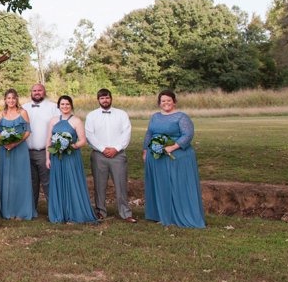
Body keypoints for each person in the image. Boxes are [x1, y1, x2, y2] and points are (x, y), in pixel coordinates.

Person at [142, 90, 205, 228]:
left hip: (177, 156)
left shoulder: (181, 117)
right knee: (160, 185)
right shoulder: (155, 117)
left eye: (169, 100)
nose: (166, 103)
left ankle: (179, 215)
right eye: (163, 101)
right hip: (156, 157)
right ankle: (160, 214)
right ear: (159, 103)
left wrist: (172, 147)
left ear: (174, 102)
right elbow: (149, 133)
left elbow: (188, 135)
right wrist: (145, 150)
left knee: (177, 185)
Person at [85, 88, 135, 223]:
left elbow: (126, 133)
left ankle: (125, 213)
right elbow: (89, 135)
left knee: (121, 184)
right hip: (99, 155)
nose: (105, 100)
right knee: (99, 185)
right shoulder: (91, 115)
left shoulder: (122, 114)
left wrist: (116, 148)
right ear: (98, 100)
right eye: (102, 98)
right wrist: (102, 149)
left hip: (118, 154)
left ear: (111, 98)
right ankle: (100, 211)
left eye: (107, 97)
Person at [45, 96, 97, 224]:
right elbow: (48, 140)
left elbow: (83, 140)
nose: (65, 106)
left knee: (72, 182)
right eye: (62, 104)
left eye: (67, 104)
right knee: (58, 183)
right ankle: (59, 214)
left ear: (71, 105)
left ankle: (74, 214)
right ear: (58, 106)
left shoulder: (76, 121)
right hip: (56, 157)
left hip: (71, 157)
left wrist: (70, 146)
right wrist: (47, 157)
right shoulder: (53, 121)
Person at [0, 89, 35, 220]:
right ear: (5, 100)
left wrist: (15, 143)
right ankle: (8, 211)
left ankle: (21, 211)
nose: (11, 100)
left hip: (20, 149)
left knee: (21, 178)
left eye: (13, 98)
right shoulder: (1, 114)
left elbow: (27, 131)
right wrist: (3, 141)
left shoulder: (23, 112)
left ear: (16, 99)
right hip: (5, 149)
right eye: (8, 98)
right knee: (7, 178)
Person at [24, 83, 60, 215]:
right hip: (26, 152)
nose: (37, 92)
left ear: (44, 92)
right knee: (31, 183)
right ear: (31, 92)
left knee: (48, 183)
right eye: (34, 90)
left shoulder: (53, 107)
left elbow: (58, 128)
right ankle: (31, 210)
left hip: (44, 152)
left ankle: (53, 210)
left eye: (39, 90)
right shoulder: (24, 107)